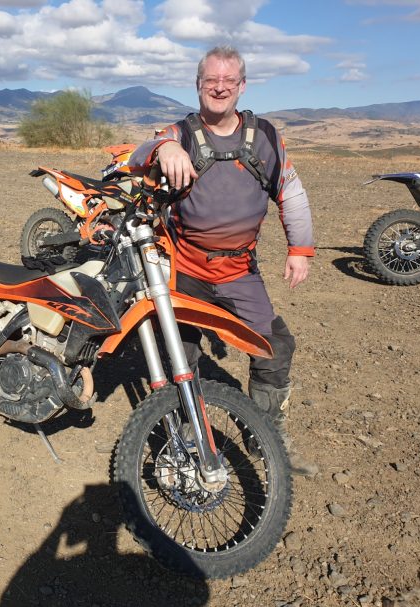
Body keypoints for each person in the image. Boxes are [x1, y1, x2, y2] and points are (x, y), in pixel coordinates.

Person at [128, 45, 317, 476]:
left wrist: (300, 250)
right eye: (211, 80)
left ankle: (264, 433)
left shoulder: (264, 136)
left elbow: (291, 193)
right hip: (186, 270)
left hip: (238, 271)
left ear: (242, 86)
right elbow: (137, 155)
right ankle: (185, 433)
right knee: (180, 353)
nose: (219, 88)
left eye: (228, 81)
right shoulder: (179, 133)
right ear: (198, 85)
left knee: (275, 347)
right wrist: (164, 148)